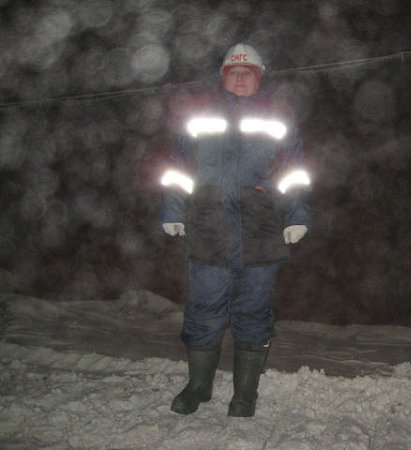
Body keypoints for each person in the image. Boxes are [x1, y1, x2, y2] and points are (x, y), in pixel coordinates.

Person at [161, 43, 311, 417]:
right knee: (203, 309)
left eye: (248, 73)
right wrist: (173, 210)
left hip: (261, 229)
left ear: (259, 79)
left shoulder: (278, 119)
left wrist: (298, 216)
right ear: (224, 77)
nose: (241, 78)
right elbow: (178, 167)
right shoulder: (199, 117)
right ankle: (198, 388)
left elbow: (295, 171)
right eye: (234, 72)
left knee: (254, 313)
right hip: (208, 226)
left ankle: (245, 395)